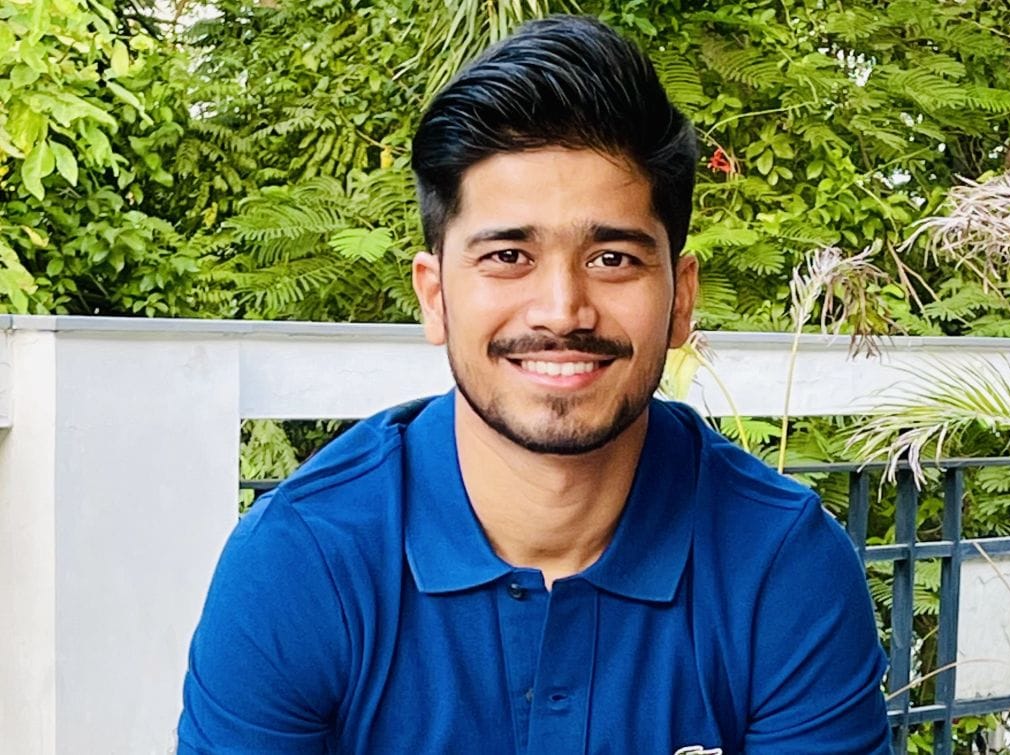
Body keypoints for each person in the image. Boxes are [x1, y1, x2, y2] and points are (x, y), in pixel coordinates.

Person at [177, 15, 890, 754]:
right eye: (508, 256)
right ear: (435, 296)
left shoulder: (781, 566)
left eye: (612, 259)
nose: (562, 310)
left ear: (680, 299)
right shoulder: (303, 564)